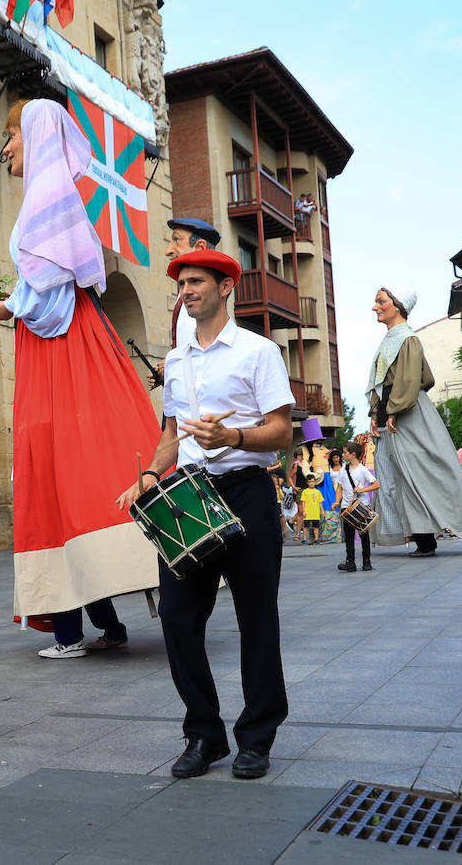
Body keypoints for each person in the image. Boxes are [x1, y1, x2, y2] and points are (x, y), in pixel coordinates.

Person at [0, 97, 164, 658]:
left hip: (59, 349)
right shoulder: (54, 193)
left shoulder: (46, 193)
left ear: (32, 136)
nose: (5, 147)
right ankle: (102, 620)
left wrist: (12, 307)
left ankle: (72, 629)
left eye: (10, 135)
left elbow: (53, 297)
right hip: (71, 346)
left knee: (54, 471)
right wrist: (15, 302)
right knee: (72, 467)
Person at [116, 247, 294, 781]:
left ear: (224, 287)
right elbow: (171, 436)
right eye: (181, 284)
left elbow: (282, 432)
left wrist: (232, 435)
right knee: (176, 618)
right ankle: (204, 734)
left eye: (195, 282)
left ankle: (256, 738)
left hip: (247, 491)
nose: (186, 291)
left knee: (256, 620)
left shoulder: (259, 352)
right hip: (191, 496)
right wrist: (149, 476)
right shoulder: (175, 359)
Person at [367, 285, 462, 554]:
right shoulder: (391, 341)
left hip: (405, 413)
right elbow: (380, 382)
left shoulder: (407, 339)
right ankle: (416, 536)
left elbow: (410, 379)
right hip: (391, 413)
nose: (375, 307)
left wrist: (393, 409)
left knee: (419, 472)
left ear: (397, 306)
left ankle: (430, 536)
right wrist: (376, 413)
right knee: (392, 475)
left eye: (380, 301)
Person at [145, 216, 221, 388]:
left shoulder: (209, 298)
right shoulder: (183, 295)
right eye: (183, 284)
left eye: (177, 240)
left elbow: (209, 352)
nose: (168, 251)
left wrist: (172, 363)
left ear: (200, 247)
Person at [335, 441, 379, 571]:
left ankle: (367, 561)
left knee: (364, 534)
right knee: (348, 535)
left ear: (353, 455)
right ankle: (350, 561)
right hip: (346, 506)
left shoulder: (362, 469)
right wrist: (337, 501)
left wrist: (362, 490)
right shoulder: (343, 470)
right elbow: (339, 487)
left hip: (361, 505)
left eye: (344, 452)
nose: (342, 455)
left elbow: (376, 484)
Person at [300, 473, 324, 544]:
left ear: (315, 482)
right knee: (306, 526)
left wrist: (322, 511)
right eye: (309, 482)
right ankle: (304, 539)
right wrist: (304, 511)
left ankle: (316, 539)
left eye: (313, 481)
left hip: (316, 512)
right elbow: (303, 502)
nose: (311, 483)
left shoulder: (318, 492)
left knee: (316, 526)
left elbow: (320, 502)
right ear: (307, 483)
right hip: (308, 512)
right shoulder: (305, 491)